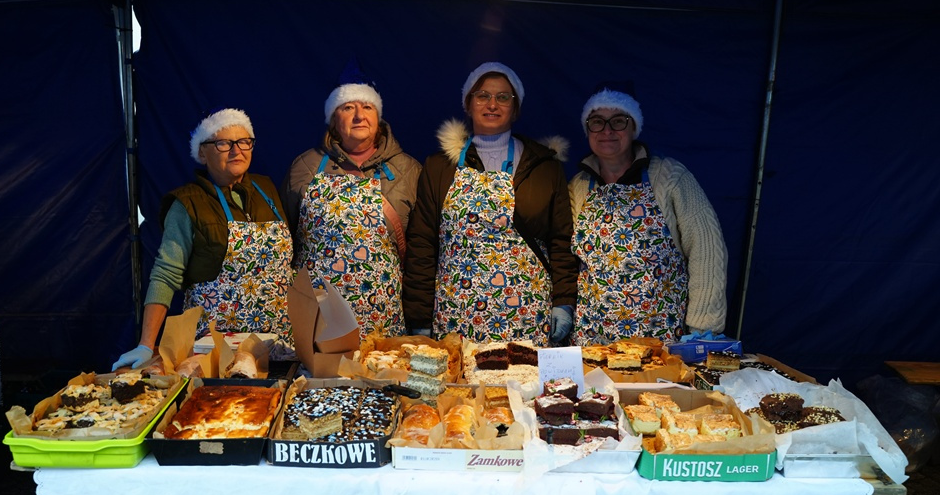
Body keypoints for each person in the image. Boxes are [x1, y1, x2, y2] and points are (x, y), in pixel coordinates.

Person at [403, 62, 577, 346]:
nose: (492, 104)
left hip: (528, 314)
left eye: (503, 97)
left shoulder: (544, 166)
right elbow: (423, 245)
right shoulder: (439, 167)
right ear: (468, 104)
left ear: (515, 108)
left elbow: (561, 241)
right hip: (457, 316)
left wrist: (564, 301)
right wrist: (419, 318)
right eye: (482, 95)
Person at [112, 108, 293, 370]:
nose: (236, 150)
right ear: (202, 153)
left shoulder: (267, 189)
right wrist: (146, 344)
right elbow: (165, 275)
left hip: (276, 344)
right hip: (215, 352)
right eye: (223, 143)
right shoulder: (187, 203)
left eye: (244, 142)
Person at [568, 87, 727, 346]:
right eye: (597, 122)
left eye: (618, 121)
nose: (607, 131)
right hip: (594, 341)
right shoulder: (578, 186)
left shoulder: (670, 176)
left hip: (660, 340)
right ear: (587, 131)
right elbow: (568, 260)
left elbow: (706, 248)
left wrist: (702, 327)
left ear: (634, 128)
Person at [280, 61, 421, 339]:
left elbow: (421, 255)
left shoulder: (409, 171)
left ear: (378, 116)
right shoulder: (304, 167)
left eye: (367, 107)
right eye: (347, 108)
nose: (359, 116)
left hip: (383, 318)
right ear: (334, 119)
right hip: (317, 318)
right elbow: (286, 242)